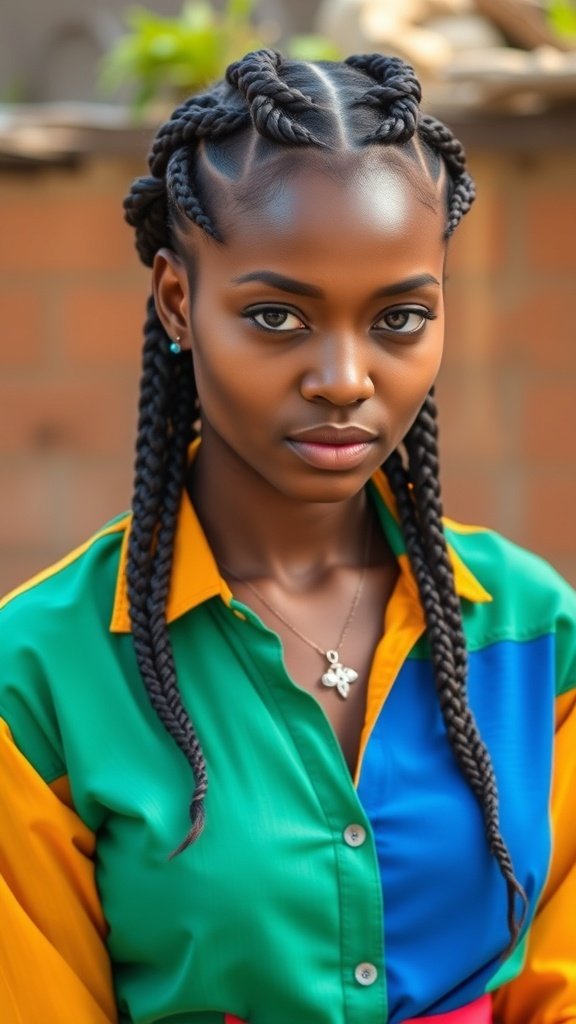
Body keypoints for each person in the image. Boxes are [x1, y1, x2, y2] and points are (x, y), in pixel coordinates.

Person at [0, 47, 574, 1024]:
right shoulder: (42, 672)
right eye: (277, 316)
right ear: (178, 301)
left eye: (400, 316)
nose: (345, 379)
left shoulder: (532, 631)